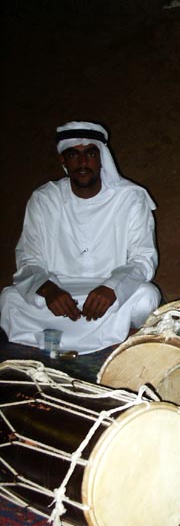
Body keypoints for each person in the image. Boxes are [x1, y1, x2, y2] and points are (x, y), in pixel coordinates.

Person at [0, 121, 161, 354]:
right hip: (58, 295)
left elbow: (143, 259)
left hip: (108, 296)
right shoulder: (44, 199)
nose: (83, 162)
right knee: (9, 299)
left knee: (147, 297)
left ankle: (61, 337)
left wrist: (112, 287)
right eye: (74, 155)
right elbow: (28, 259)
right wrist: (48, 289)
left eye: (91, 154)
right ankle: (113, 336)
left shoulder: (130, 197)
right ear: (63, 161)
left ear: (101, 158)